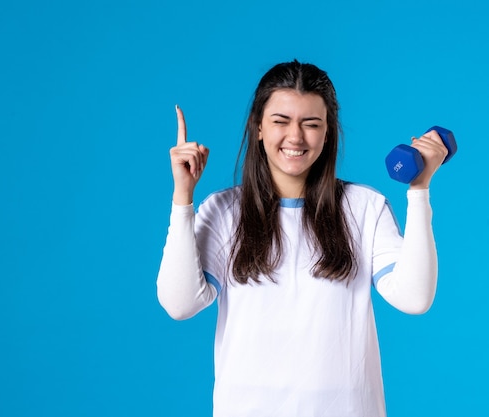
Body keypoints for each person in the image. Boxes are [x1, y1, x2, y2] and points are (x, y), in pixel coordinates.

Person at [156, 60, 447, 417]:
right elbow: (179, 303)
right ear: (258, 127)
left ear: (328, 133)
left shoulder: (364, 208)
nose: (295, 137)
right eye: (281, 121)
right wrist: (182, 197)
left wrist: (419, 190)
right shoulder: (224, 211)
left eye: (311, 124)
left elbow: (415, 298)